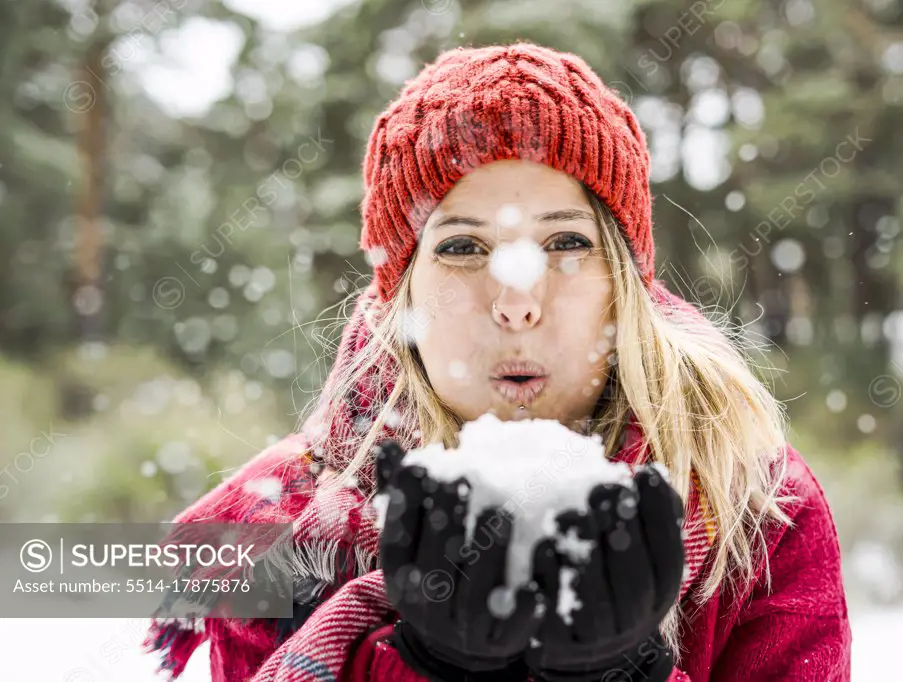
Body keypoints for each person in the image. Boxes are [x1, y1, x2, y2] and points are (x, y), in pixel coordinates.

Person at [144, 42, 851, 682]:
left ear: (623, 284)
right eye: (461, 247)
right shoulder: (282, 531)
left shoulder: (756, 508)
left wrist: (624, 675)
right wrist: (420, 670)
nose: (516, 301)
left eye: (567, 243)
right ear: (402, 292)